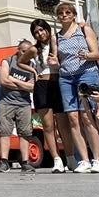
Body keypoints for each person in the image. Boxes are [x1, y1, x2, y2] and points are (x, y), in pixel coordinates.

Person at [54, 2, 99, 173]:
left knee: (87, 116)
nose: (64, 15)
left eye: (68, 12)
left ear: (74, 15)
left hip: (86, 73)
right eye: (61, 13)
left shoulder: (84, 30)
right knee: (73, 119)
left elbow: (96, 53)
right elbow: (56, 58)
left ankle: (97, 159)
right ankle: (84, 160)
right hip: (66, 78)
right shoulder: (57, 36)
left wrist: (87, 55)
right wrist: (54, 62)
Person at [29, 18, 69, 173]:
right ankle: (56, 159)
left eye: (41, 29)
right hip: (42, 85)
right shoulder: (34, 49)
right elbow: (21, 61)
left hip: (58, 84)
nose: (40, 33)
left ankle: (70, 158)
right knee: (47, 126)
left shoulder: (57, 42)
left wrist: (53, 40)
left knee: (64, 125)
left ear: (47, 29)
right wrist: (33, 72)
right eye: (36, 32)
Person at [0, 41, 37, 173]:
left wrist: (14, 80)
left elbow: (33, 87)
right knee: (4, 132)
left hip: (24, 104)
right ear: (18, 50)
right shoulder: (7, 61)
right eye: (24, 51)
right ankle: (4, 162)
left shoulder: (32, 66)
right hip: (6, 102)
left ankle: (25, 162)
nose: (26, 54)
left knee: (25, 132)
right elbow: (3, 80)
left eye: (29, 52)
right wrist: (24, 85)